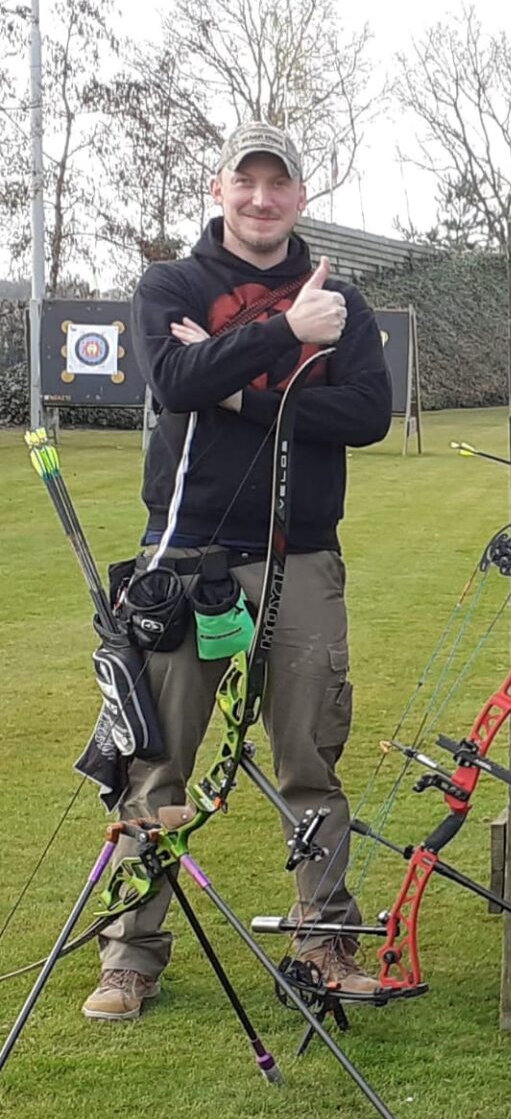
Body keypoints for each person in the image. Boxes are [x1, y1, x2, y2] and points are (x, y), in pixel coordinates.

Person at [82, 121, 393, 1021]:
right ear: (219, 188)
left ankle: (324, 939)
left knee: (310, 761)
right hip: (184, 558)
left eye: (279, 184)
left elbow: (367, 413)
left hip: (302, 559)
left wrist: (241, 392)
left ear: (301, 195)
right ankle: (130, 955)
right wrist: (288, 337)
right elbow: (172, 381)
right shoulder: (173, 284)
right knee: (157, 763)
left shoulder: (345, 298)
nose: (262, 199)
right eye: (245, 182)